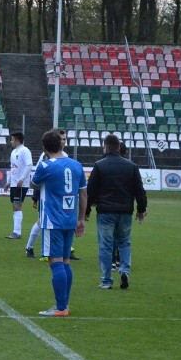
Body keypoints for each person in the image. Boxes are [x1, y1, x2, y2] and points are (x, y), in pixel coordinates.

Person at [31, 130, 87, 316]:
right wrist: (81, 218)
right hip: (71, 219)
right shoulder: (77, 165)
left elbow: (33, 183)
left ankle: (61, 307)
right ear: (62, 144)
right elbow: (83, 194)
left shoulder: (46, 166)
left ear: (44, 148)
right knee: (65, 261)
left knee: (55, 262)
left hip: (52, 220)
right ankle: (65, 303)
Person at [86, 134, 147, 290]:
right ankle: (124, 270)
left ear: (105, 147)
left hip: (105, 211)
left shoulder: (99, 165)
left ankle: (106, 280)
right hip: (125, 211)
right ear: (119, 147)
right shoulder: (131, 166)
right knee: (124, 242)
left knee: (105, 246)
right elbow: (139, 190)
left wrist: (85, 212)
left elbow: (90, 191)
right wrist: (141, 209)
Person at [4, 131, 32, 240]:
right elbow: (13, 168)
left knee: (17, 205)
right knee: (15, 205)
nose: (11, 141)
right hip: (14, 183)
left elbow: (29, 165)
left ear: (17, 140)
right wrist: (8, 182)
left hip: (21, 184)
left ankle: (17, 232)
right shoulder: (14, 152)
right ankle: (16, 231)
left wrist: (22, 179)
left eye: (12, 139)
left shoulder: (25, 151)